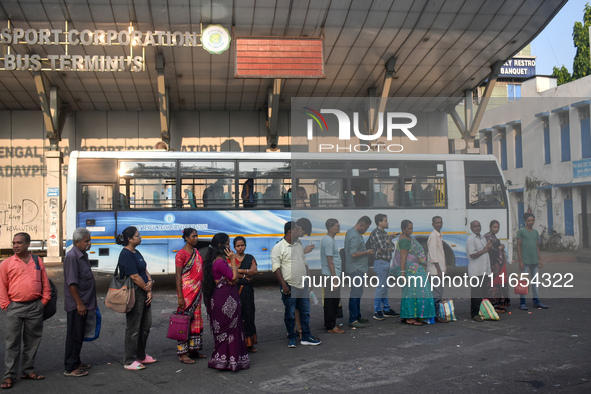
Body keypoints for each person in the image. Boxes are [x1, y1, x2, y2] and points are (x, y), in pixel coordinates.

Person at [0, 233, 51, 389]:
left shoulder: (37, 261)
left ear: (28, 244)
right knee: (12, 343)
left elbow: (45, 283)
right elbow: (2, 286)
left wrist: (44, 301)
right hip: (15, 307)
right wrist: (6, 305)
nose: (15, 246)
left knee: (32, 341)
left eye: (19, 243)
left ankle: (27, 370)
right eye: (14, 243)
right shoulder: (6, 263)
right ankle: (9, 376)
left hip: (35, 307)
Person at [202, 233, 250, 371]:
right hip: (225, 300)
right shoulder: (220, 262)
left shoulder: (212, 261)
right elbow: (234, 278)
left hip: (218, 298)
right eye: (228, 244)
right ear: (220, 246)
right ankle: (231, 360)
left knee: (223, 330)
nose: (230, 247)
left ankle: (221, 359)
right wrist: (233, 260)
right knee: (231, 329)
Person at [272, 221, 322, 348]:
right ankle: (291, 338)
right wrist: (283, 284)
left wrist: (309, 280)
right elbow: (276, 268)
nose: (300, 231)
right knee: (290, 314)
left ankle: (305, 336)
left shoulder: (299, 244)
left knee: (305, 312)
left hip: (303, 285)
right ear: (290, 232)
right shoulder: (278, 247)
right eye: (297, 229)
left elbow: (304, 263)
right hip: (289, 286)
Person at [116, 226, 156, 370]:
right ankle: (129, 360)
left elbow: (144, 270)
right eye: (137, 235)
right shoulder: (126, 254)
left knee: (146, 325)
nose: (140, 237)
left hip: (144, 292)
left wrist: (150, 283)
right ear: (129, 239)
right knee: (133, 327)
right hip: (135, 293)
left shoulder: (136, 252)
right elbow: (134, 276)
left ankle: (141, 355)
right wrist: (147, 288)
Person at [63, 228, 96, 377]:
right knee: (74, 335)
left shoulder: (82, 255)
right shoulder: (72, 257)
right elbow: (72, 283)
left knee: (80, 334)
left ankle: (76, 361)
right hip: (78, 304)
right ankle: (71, 367)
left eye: (89, 240)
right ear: (77, 242)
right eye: (86, 241)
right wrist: (79, 303)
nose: (89, 243)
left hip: (85, 303)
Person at [393, 220, 436, 326]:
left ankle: (408, 315)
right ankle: (410, 317)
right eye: (409, 229)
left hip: (413, 269)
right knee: (414, 293)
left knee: (411, 293)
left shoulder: (408, 239)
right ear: (403, 229)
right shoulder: (405, 241)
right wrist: (403, 274)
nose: (411, 230)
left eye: (412, 228)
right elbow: (403, 258)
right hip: (410, 271)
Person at [175, 228, 206, 364]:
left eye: (197, 236)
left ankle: (194, 349)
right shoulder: (181, 254)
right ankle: (183, 353)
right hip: (187, 293)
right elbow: (178, 276)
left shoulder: (196, 252)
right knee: (184, 321)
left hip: (197, 291)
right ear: (186, 238)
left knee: (196, 320)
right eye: (193, 236)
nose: (196, 238)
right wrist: (180, 297)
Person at [368, 214, 399, 321]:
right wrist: (388, 242)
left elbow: (392, 247)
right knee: (381, 288)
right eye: (385, 221)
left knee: (385, 288)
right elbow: (385, 246)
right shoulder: (376, 233)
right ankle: (377, 311)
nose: (387, 223)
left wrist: (388, 244)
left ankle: (386, 309)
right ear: (379, 222)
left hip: (385, 262)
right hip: (380, 262)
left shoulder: (383, 233)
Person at [345, 216, 374, 329]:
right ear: (361, 225)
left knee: (357, 293)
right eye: (366, 228)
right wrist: (367, 252)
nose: (366, 230)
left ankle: (357, 316)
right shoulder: (355, 236)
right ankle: (353, 319)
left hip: (357, 268)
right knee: (355, 294)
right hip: (356, 269)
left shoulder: (351, 232)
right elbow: (353, 253)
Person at [517, 213, 548, 310]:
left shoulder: (535, 232)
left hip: (534, 261)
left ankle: (536, 301)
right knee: (524, 282)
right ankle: (522, 303)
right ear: (525, 221)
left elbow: (537, 246)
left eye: (532, 220)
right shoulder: (521, 232)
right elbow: (518, 247)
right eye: (529, 221)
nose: (531, 222)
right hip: (525, 261)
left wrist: (540, 259)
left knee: (535, 282)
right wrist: (520, 261)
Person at [234, 236, 259, 352]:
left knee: (249, 315)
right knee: (238, 316)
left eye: (242, 245)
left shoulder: (250, 258)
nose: (240, 248)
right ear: (234, 247)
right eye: (238, 246)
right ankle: (238, 344)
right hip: (234, 290)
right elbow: (230, 273)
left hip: (248, 291)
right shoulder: (231, 258)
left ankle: (250, 344)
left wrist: (238, 271)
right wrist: (246, 273)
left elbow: (254, 271)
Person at [321, 219, 345, 334]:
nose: (339, 228)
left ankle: (330, 323)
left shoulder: (328, 239)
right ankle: (330, 326)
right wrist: (335, 278)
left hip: (330, 275)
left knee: (331, 301)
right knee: (332, 301)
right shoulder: (329, 241)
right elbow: (330, 261)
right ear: (330, 228)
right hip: (331, 276)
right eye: (337, 226)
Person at [466, 220, 492, 322]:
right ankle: (474, 314)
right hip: (476, 271)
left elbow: (487, 250)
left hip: (485, 270)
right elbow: (472, 254)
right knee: (476, 294)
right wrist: (485, 249)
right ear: (471, 228)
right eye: (475, 226)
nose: (477, 228)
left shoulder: (483, 238)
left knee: (484, 293)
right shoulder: (471, 239)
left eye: (479, 226)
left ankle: (483, 312)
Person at [484, 220, 510, 312]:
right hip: (494, 265)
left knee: (499, 284)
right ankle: (494, 306)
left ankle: (499, 305)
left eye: (497, 227)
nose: (496, 229)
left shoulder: (492, 236)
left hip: (498, 265)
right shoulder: (488, 237)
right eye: (494, 227)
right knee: (494, 285)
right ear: (490, 227)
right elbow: (491, 250)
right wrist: (500, 247)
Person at [427, 216, 447, 323]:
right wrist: (439, 270)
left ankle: (435, 315)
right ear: (433, 224)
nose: (439, 224)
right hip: (435, 271)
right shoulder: (433, 237)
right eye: (437, 223)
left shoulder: (438, 236)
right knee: (437, 294)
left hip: (438, 270)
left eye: (440, 222)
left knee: (438, 293)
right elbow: (433, 256)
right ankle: (436, 316)